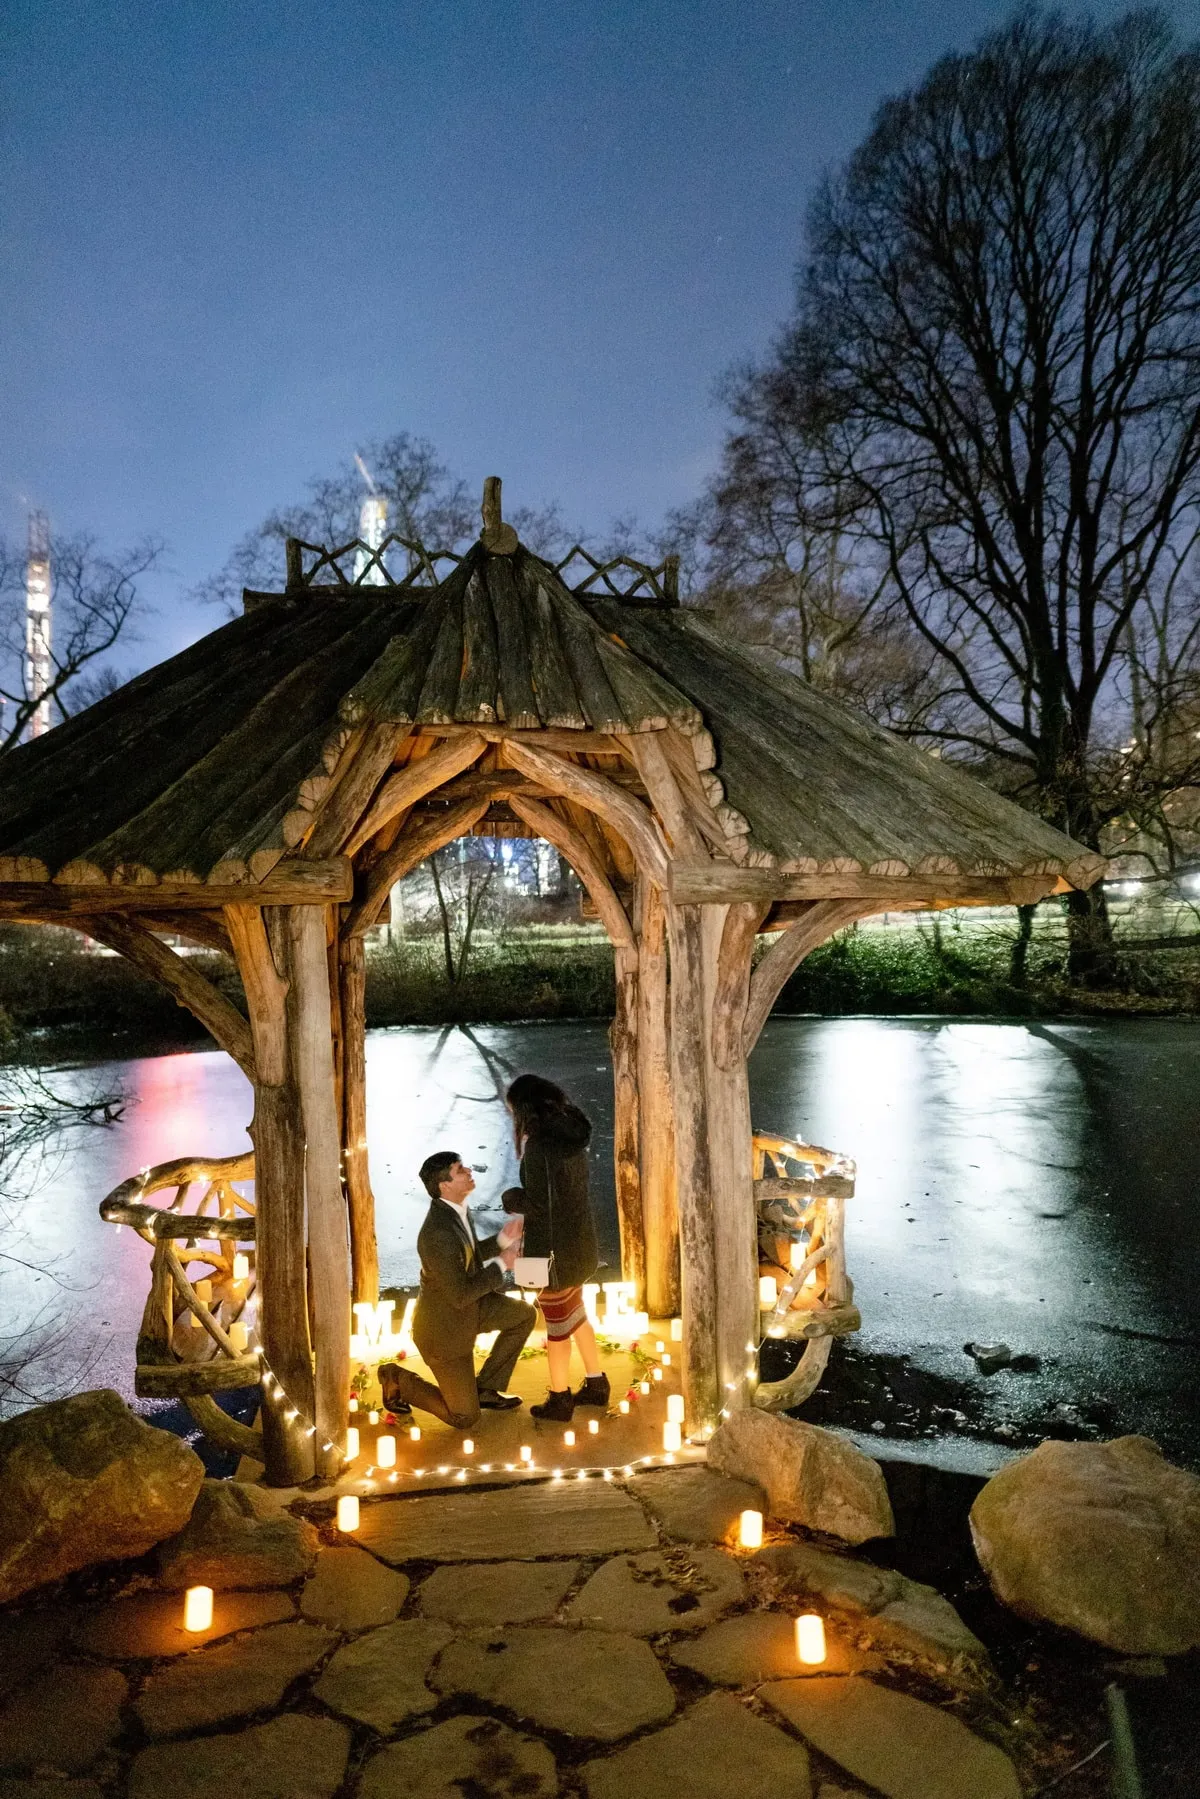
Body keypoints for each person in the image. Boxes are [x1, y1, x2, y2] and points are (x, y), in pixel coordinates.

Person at [379, 1151, 533, 1430]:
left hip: (469, 1308)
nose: (469, 1171)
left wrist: (502, 1239)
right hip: (444, 1333)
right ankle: (396, 1379)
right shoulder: (437, 1233)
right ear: (444, 1185)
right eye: (460, 1170)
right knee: (465, 1417)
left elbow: (468, 1256)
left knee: (523, 1315)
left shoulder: (457, 1209)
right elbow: (460, 1294)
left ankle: (485, 1388)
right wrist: (503, 1262)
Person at [502, 1073, 608, 1422]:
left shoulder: (540, 1147)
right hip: (579, 1242)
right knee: (577, 1314)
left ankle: (560, 1398)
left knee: (558, 1325)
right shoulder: (570, 1135)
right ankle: (596, 1383)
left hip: (554, 1252)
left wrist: (511, 1198)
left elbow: (540, 1204)